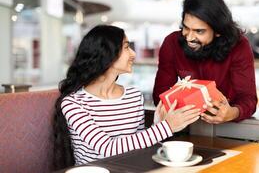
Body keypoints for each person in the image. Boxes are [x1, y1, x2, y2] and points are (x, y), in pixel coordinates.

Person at [53, 25, 201, 170]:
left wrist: (158, 124)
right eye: (126, 47)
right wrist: (166, 127)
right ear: (107, 54)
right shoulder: (73, 103)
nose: (133, 54)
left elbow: (137, 147)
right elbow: (107, 148)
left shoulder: (133, 96)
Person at [153, 0, 257, 124]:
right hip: (185, 124)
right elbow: (160, 94)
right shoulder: (172, 43)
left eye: (199, 31)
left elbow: (248, 99)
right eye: (186, 28)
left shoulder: (239, 46)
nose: (189, 37)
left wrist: (232, 113)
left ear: (218, 31)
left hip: (229, 126)